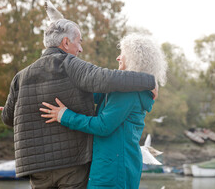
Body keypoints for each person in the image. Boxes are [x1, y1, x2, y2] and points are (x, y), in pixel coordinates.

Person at [0, 19, 157, 189]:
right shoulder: (71, 65)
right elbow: (106, 79)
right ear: (66, 42)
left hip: (37, 167)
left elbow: (8, 119)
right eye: (79, 42)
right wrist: (150, 80)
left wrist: (18, 109)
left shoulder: (20, 77)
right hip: (72, 163)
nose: (81, 49)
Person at [40, 34, 167, 188]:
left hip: (113, 169)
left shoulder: (128, 92)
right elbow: (87, 93)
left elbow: (103, 126)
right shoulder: (126, 88)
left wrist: (64, 116)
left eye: (123, 54)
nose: (118, 58)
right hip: (118, 164)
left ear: (135, 59)